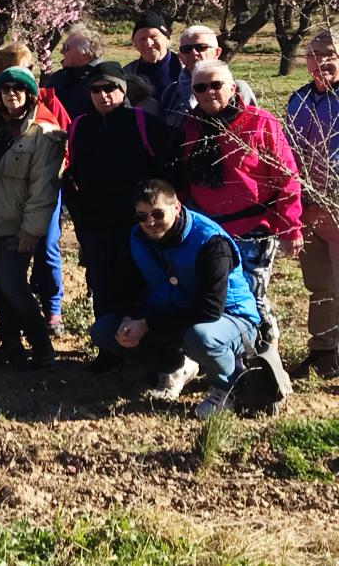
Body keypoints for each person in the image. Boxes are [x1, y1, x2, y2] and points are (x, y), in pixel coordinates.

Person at [90, 180, 261, 419]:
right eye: (142, 216)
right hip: (174, 314)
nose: (150, 222)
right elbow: (127, 287)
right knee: (106, 331)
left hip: (230, 318)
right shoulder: (137, 238)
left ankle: (228, 385)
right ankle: (176, 366)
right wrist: (129, 317)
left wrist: (148, 324)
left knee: (201, 337)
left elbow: (210, 309)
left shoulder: (211, 242)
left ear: (177, 207)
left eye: (158, 213)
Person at [178, 60, 303, 350]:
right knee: (215, 295)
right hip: (209, 230)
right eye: (200, 87)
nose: (209, 92)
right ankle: (227, 357)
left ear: (232, 88)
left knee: (251, 296)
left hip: (254, 227)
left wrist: (290, 227)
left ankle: (265, 357)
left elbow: (286, 176)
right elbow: (183, 178)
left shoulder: (260, 122)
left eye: (216, 85)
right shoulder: (191, 127)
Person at [62, 61, 177, 352]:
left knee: (142, 283)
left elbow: (168, 168)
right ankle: (110, 349)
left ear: (123, 89)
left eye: (110, 88)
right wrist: (81, 220)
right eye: (96, 90)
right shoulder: (80, 126)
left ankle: (148, 348)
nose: (103, 95)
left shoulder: (143, 123)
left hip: (139, 226)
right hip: (97, 225)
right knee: (102, 286)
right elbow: (72, 176)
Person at [0, 67, 65, 368]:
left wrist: (31, 231)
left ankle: (41, 346)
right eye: (6, 87)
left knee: (13, 286)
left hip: (15, 222)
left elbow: (43, 189)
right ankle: (10, 343)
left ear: (30, 94)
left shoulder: (42, 133)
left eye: (18, 89)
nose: (11, 93)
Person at [288, 30, 339, 379]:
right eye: (313, 54)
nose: (321, 61)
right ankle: (323, 349)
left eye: (329, 53)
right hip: (308, 206)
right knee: (319, 282)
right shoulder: (298, 99)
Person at [158, 25, 257, 129]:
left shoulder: (239, 89)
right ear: (180, 57)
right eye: (186, 49)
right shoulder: (171, 93)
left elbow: (255, 129)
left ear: (217, 52)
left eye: (201, 47)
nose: (194, 53)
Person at [42, 23, 103, 121]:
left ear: (85, 53)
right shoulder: (59, 77)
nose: (61, 51)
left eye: (66, 48)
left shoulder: (103, 80)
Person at [126, 12, 184, 97]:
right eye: (142, 39)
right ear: (135, 44)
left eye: (153, 37)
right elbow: (132, 107)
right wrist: (141, 111)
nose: (148, 43)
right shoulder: (128, 73)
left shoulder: (184, 68)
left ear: (167, 39)